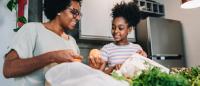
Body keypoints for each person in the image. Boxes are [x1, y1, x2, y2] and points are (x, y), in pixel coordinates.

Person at [3, 0, 82, 86]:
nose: (78, 18)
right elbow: (8, 69)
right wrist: (52, 57)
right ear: (59, 9)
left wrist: (95, 69)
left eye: (79, 14)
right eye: (74, 12)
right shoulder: (32, 30)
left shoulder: (72, 42)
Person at [89, 1, 147, 74]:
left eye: (120, 28)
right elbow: (99, 74)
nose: (115, 31)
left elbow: (143, 70)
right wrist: (112, 69)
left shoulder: (137, 48)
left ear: (129, 29)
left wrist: (144, 58)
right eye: (113, 27)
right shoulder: (107, 49)